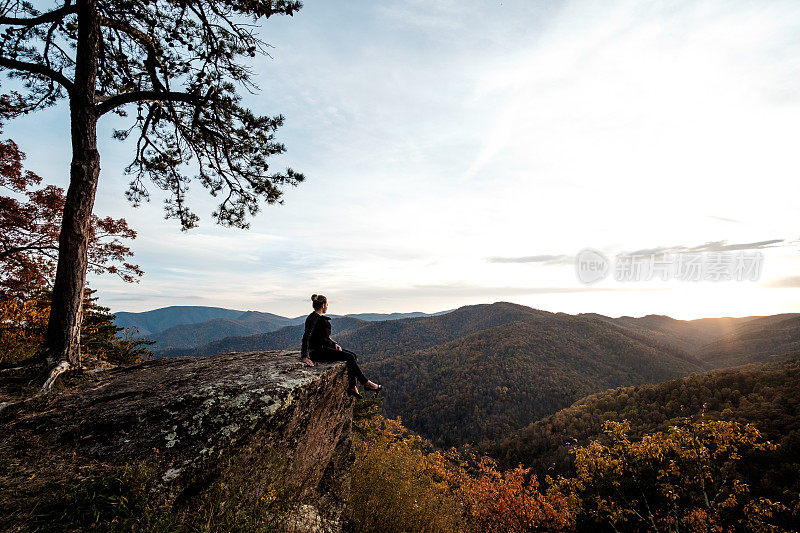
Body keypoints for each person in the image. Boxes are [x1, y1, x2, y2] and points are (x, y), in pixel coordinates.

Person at [300, 294, 382, 399]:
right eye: (327, 304)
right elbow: (306, 337)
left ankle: (353, 386)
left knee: (353, 355)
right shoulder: (313, 319)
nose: (327, 306)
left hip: (324, 348)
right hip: (317, 352)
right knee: (350, 357)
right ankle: (366, 383)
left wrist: (334, 344)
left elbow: (323, 337)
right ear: (323, 305)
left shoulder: (317, 318)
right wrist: (305, 356)